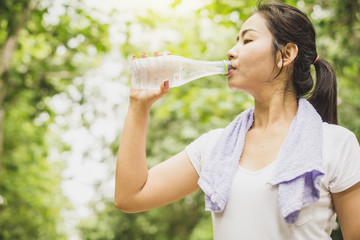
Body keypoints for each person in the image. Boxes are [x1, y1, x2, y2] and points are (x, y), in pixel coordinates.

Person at [115, 2, 360, 239]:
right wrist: (139, 105)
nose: (231, 51)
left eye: (247, 40)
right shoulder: (215, 148)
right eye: (236, 41)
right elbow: (130, 196)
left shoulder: (335, 144)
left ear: (286, 54)